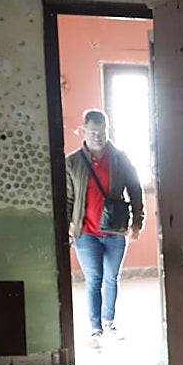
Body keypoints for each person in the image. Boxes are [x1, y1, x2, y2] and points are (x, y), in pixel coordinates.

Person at [64, 108, 144, 348]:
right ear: (84, 131)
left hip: (115, 230)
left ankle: (109, 323)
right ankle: (95, 329)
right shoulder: (72, 162)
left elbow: (135, 189)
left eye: (102, 132)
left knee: (111, 277)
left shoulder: (120, 158)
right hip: (86, 233)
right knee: (94, 278)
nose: (98, 136)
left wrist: (137, 222)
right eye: (93, 132)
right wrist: (66, 226)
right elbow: (67, 198)